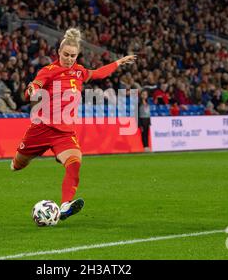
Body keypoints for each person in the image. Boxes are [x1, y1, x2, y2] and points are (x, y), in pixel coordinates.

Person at [11, 28, 136, 221]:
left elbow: (98, 74)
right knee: (17, 165)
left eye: (73, 56)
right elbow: (35, 86)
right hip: (41, 129)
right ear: (59, 53)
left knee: (75, 162)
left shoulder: (79, 71)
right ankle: (31, 158)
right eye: (66, 55)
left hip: (64, 132)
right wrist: (32, 89)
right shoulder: (49, 71)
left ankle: (65, 205)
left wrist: (118, 63)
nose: (69, 58)